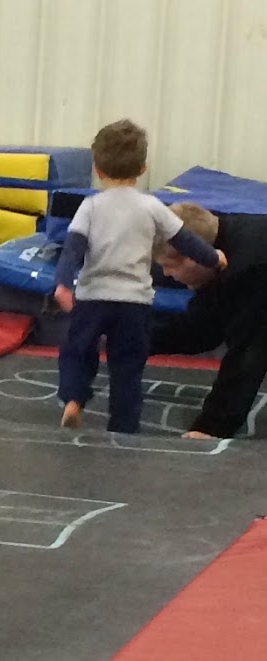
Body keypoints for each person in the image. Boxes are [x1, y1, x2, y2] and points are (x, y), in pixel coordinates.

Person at [53, 120, 223, 434]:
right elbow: (185, 240)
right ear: (143, 168)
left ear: (97, 169)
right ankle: (124, 425)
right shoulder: (152, 206)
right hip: (133, 303)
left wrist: (63, 284)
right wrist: (214, 258)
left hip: (93, 298)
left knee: (77, 350)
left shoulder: (91, 207)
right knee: (128, 365)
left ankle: (73, 399)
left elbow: (72, 248)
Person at [151, 201, 267, 439]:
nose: (166, 274)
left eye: (168, 266)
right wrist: (135, 339)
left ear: (193, 258)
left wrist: (210, 427)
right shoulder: (223, 241)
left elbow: (248, 354)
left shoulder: (248, 269)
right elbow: (202, 329)